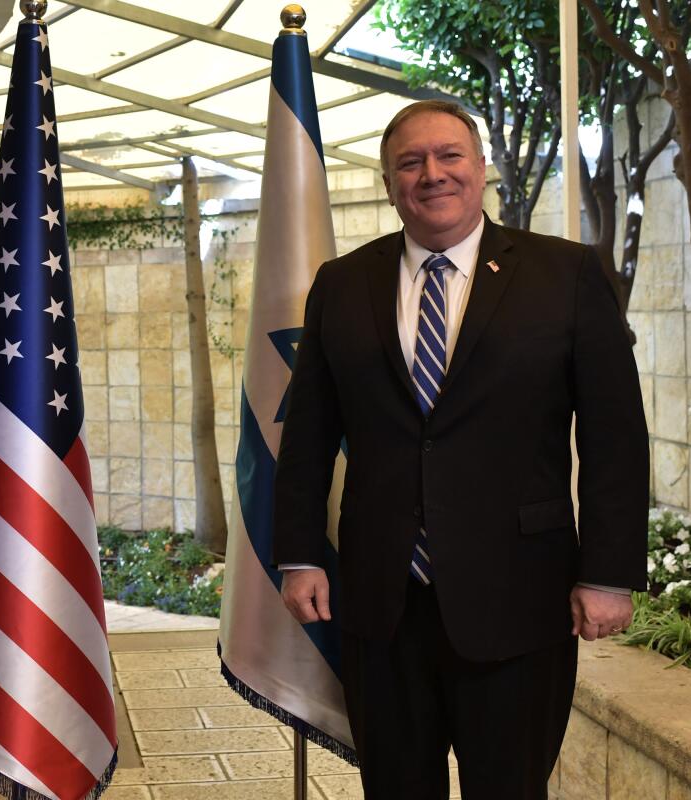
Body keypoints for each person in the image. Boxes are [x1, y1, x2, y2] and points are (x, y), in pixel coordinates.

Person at [273, 100, 648, 799]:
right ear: (389, 183)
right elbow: (309, 433)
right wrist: (298, 554)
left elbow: (614, 433)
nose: (432, 174)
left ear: (481, 168)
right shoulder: (342, 284)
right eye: (410, 162)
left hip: (520, 598)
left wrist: (608, 572)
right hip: (382, 602)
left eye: (449, 156)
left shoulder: (566, 275)